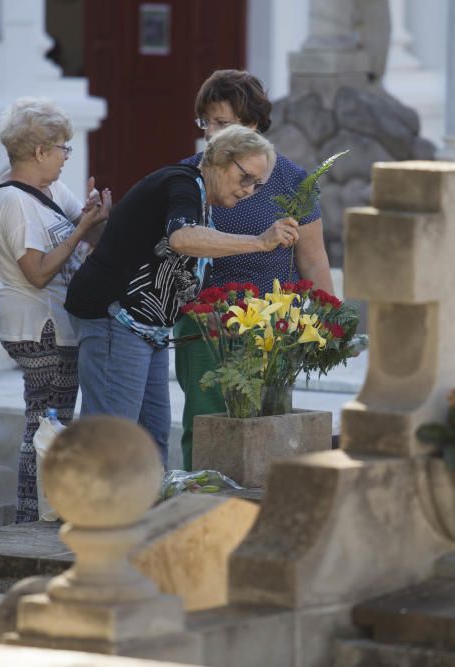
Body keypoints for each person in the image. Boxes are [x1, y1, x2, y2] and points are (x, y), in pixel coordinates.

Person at [65, 125, 298, 465]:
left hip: (148, 327)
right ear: (219, 159)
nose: (249, 190)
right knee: (112, 440)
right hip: (115, 318)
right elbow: (181, 238)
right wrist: (259, 243)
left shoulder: (201, 195)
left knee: (152, 436)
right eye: (245, 177)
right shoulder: (184, 183)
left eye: (257, 185)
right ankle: (94, 516)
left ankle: (146, 515)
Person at [175, 69, 334, 470]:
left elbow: (313, 257)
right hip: (206, 325)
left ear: (253, 126)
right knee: (205, 419)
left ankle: (262, 508)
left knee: (268, 421)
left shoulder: (292, 180)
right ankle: (202, 500)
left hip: (274, 326)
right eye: (206, 122)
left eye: (222, 123)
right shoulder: (188, 176)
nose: (210, 132)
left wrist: (330, 322)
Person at [0, 97, 111, 523]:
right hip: (37, 324)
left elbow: (86, 222)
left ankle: (48, 508)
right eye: (61, 149)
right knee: (44, 423)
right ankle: (33, 513)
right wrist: (80, 231)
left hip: (57, 321)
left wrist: (96, 212)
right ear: (39, 151)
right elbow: (36, 272)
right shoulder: (11, 201)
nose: (65, 158)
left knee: (56, 421)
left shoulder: (52, 189)